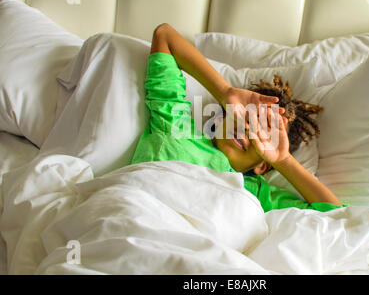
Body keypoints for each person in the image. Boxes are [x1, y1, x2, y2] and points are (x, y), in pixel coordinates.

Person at [131, 23, 344, 212]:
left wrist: (283, 160)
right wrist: (225, 92)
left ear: (263, 166)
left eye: (263, 132)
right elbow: (165, 35)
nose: (247, 130)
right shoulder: (176, 125)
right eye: (248, 118)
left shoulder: (256, 194)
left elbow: (337, 218)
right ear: (221, 119)